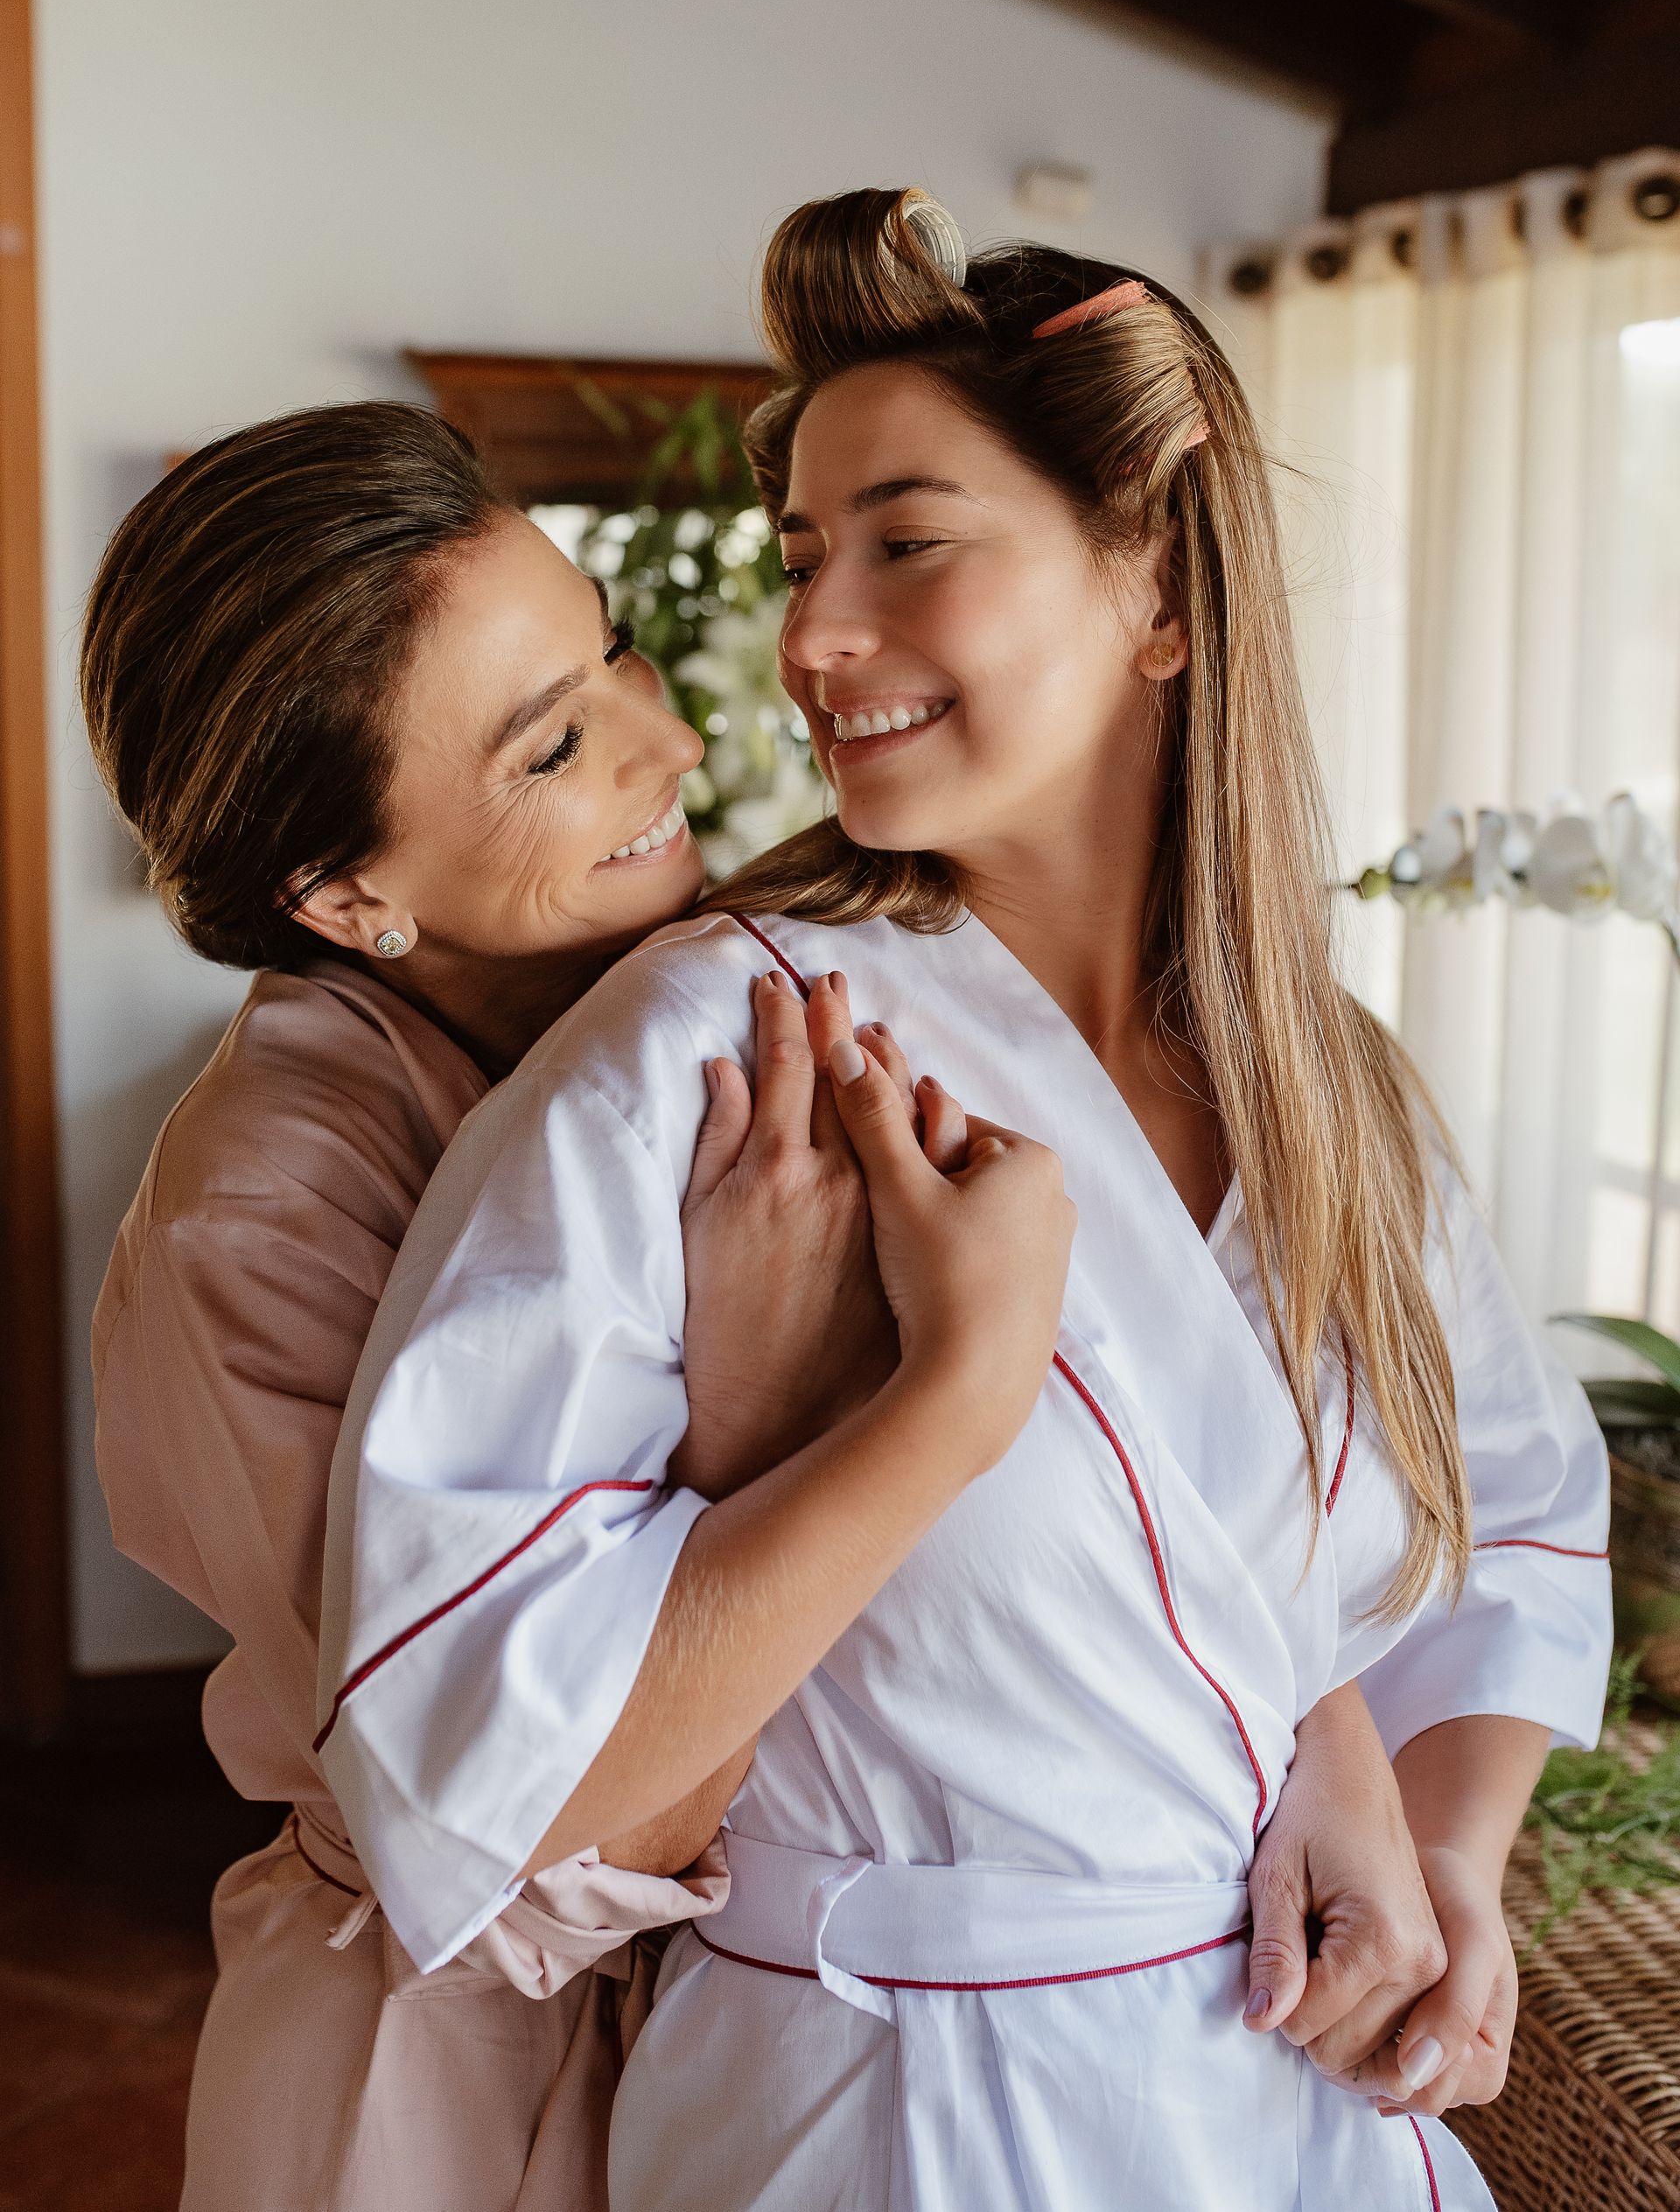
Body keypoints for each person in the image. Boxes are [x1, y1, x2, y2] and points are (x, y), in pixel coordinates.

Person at [317, 193, 1612, 2211]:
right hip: (889, 2114)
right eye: (801, 559)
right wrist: (941, 1399)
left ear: (1158, 581)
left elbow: (1511, 1514)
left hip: (1309, 2129)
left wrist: (1443, 1857)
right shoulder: (718, 1054)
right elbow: (491, 1771)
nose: (811, 639)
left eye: (904, 543)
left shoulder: (1333, 1089)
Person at [82, 402, 981, 2212]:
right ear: (345, 893)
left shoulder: (705, 1010)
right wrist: (777, 1414)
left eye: (618, 652)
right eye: (554, 744)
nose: (677, 739)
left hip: (796, 2023)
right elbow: (543, 1839)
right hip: (454, 2078)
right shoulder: (261, 1217)